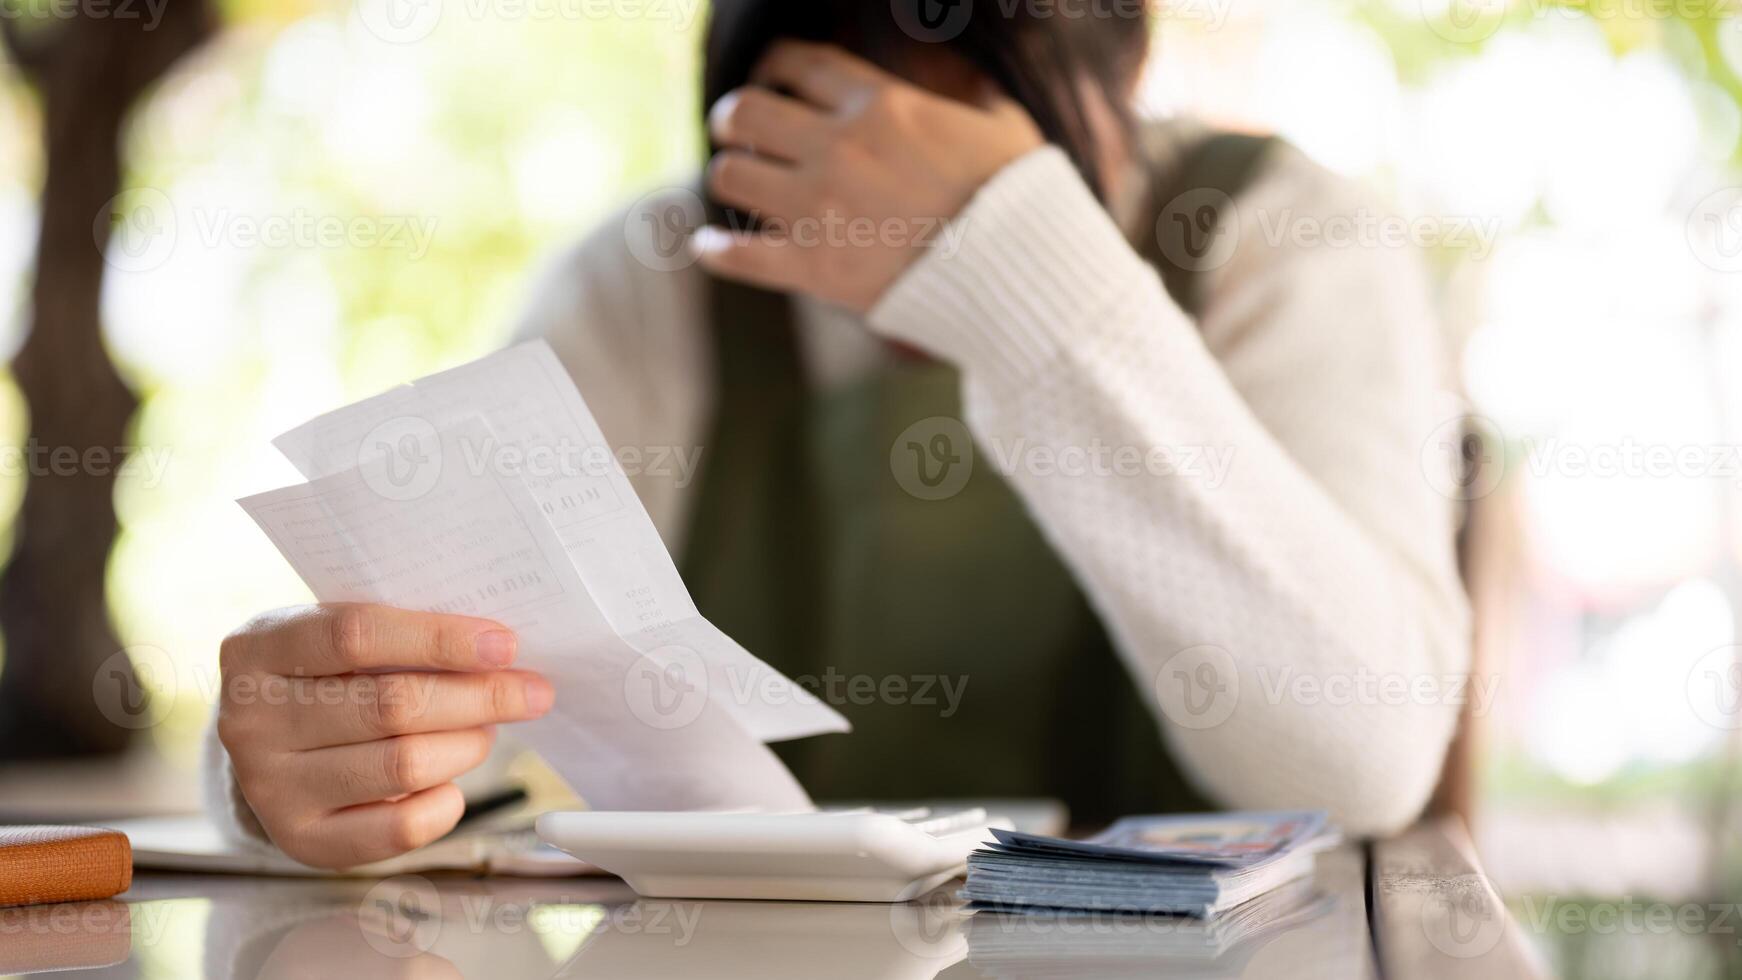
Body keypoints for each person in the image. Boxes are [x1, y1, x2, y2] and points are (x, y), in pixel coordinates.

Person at [208, 0, 1471, 869]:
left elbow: (1357, 761)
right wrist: (284, 782)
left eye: (964, 129)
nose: (884, 199)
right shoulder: (654, 284)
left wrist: (1016, 262)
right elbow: (449, 718)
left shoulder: (1279, 240)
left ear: (1117, 70)